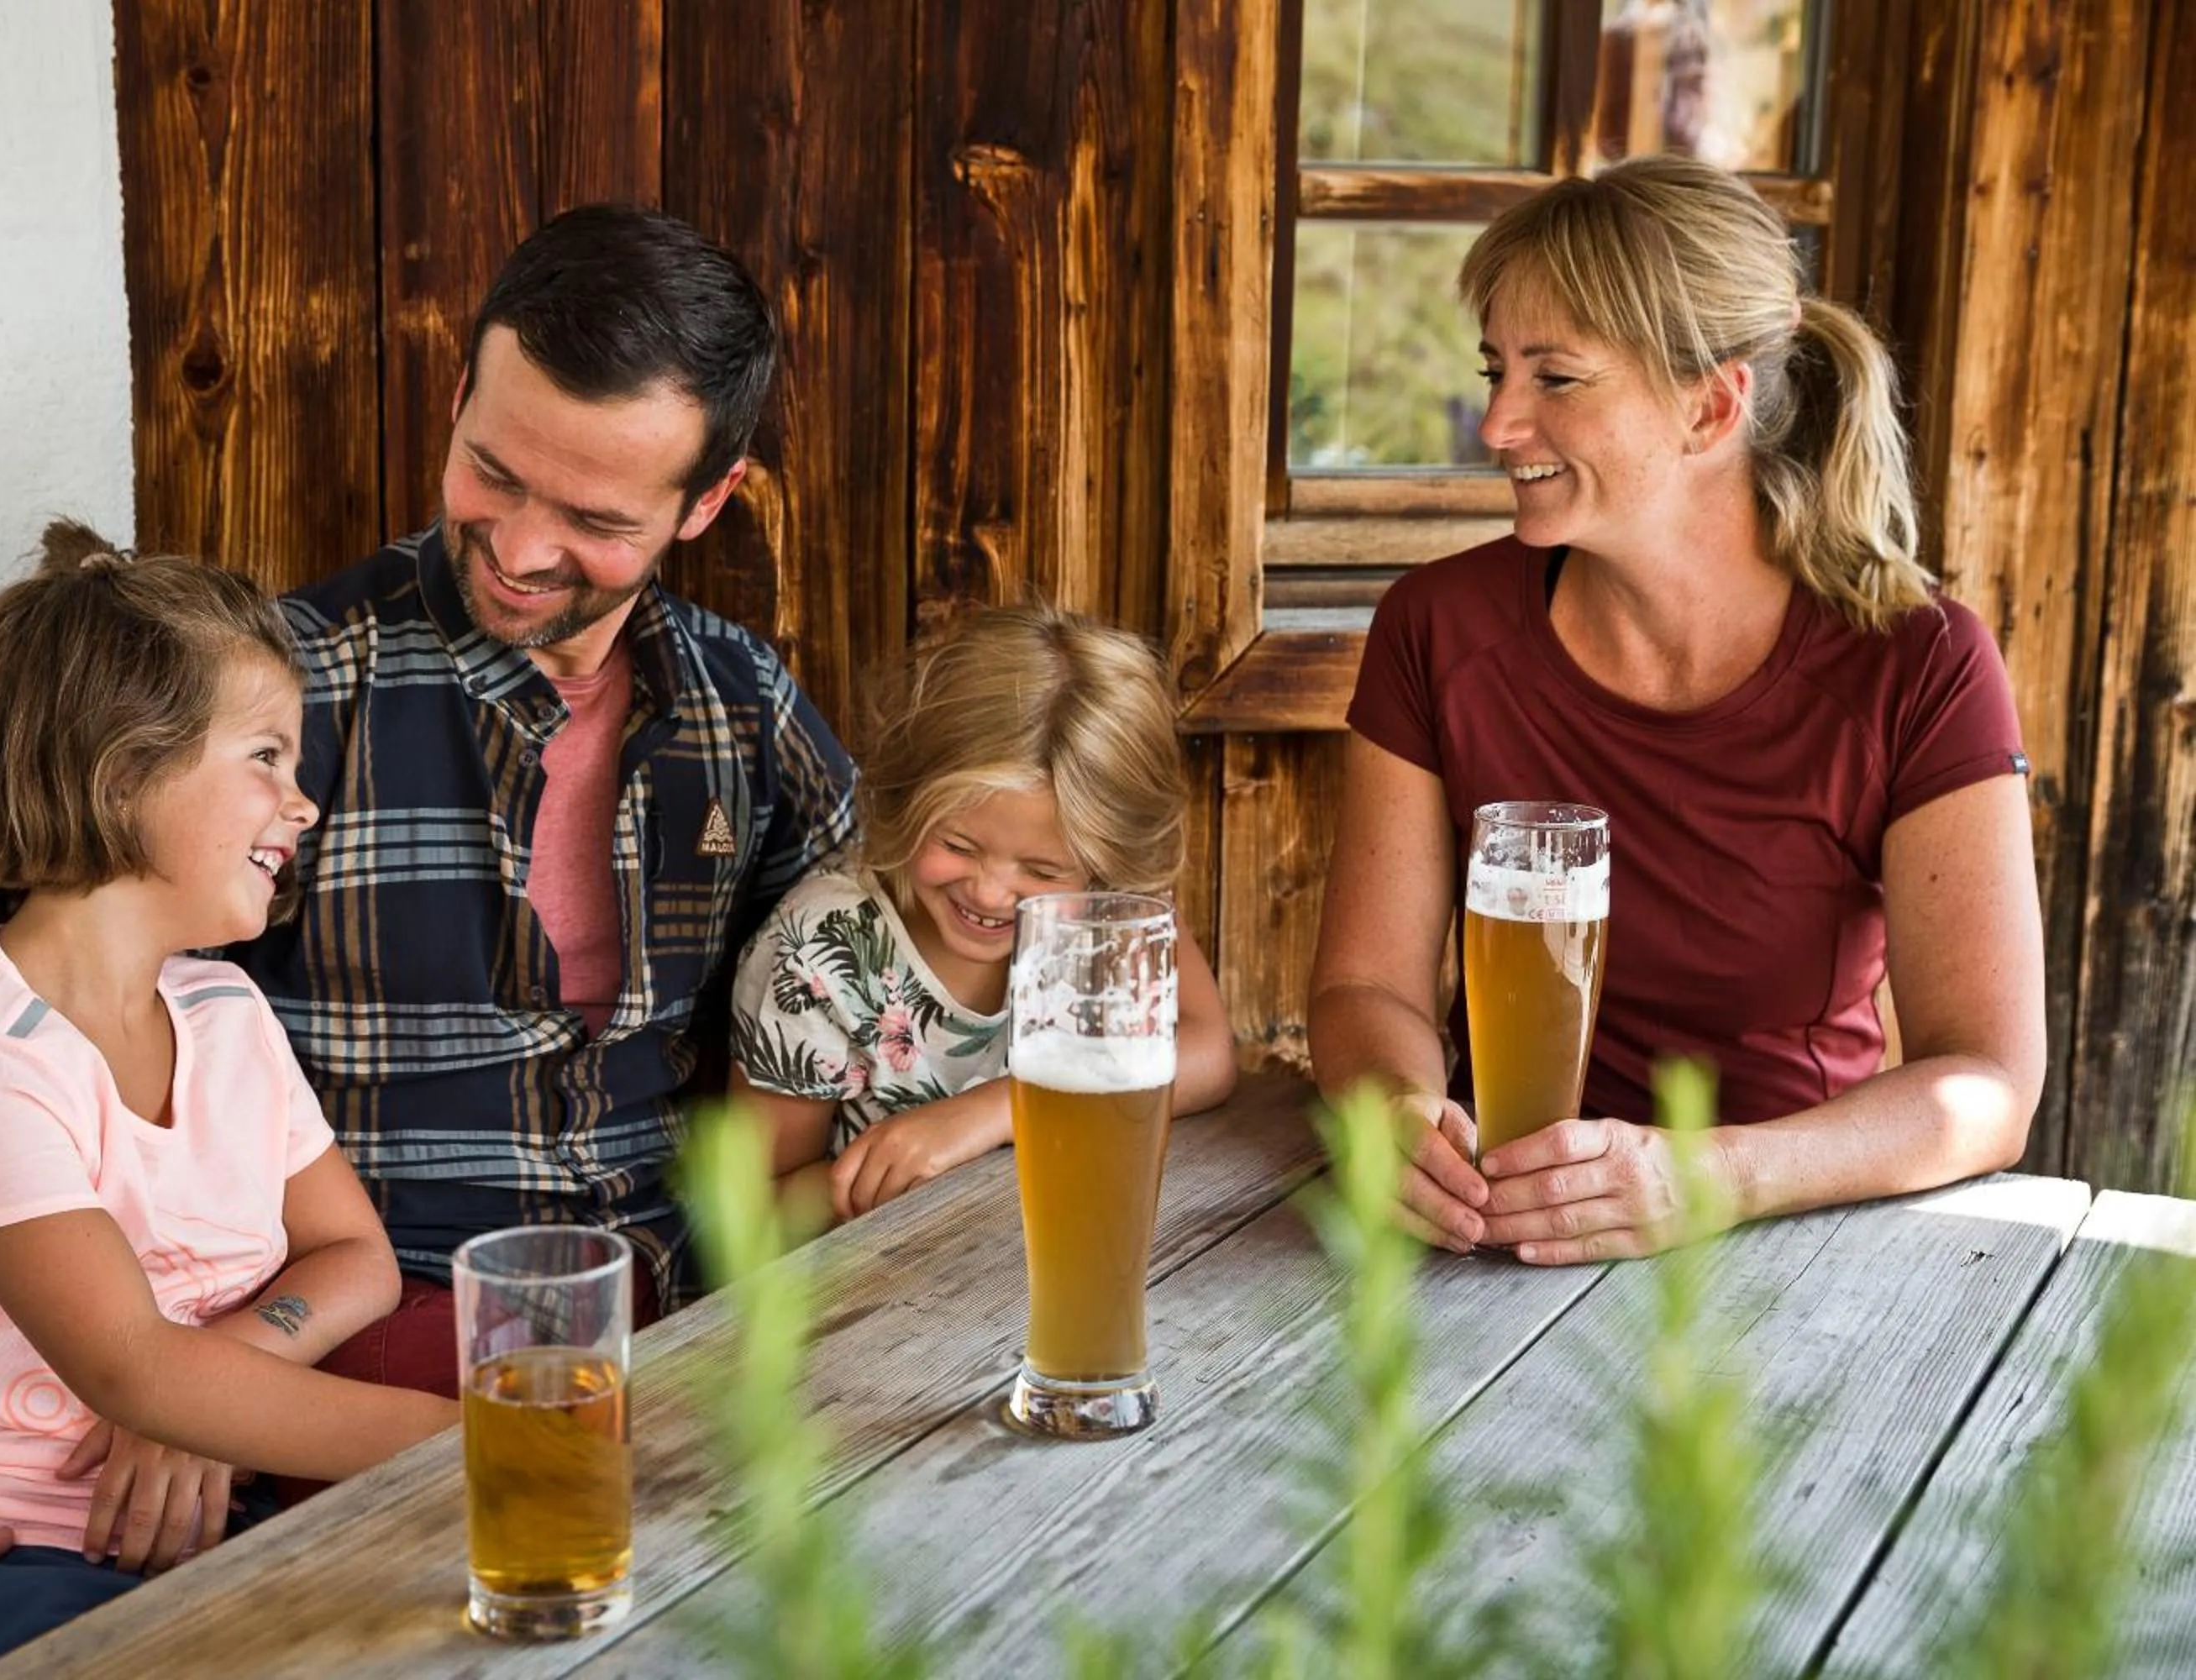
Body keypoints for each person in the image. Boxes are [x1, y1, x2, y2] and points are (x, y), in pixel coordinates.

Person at [0, 206, 855, 1680]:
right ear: (458, 393)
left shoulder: (740, 707)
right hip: (370, 1349)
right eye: (493, 470)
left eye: (595, 521)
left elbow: (892, 963)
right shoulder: (279, 702)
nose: (524, 548)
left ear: (707, 502)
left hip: (666, 1326)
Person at [1308, 154, 2045, 1263]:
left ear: (1710, 406)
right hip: (1491, 1245)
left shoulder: (1921, 664)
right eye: (1496, 370)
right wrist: (1399, 1113)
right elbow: (1366, 986)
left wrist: (1709, 1177)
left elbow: (1988, 1083)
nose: (1497, 425)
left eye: (1555, 379)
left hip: (1791, 1242)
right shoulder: (1436, 626)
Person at [0, 524, 457, 1678]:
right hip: (1, 1559)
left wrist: (231, 1362)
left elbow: (353, 1255)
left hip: (214, 1519)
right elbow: (132, 1370)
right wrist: (468, 1446)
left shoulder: (224, 1014)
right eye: (267, 757)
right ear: (123, 769)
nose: (304, 802)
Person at [729, 605, 1236, 1224]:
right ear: (906, 799)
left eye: (1043, 872)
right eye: (957, 847)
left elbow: (1208, 1051)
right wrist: (883, 1181)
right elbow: (757, 1211)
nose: (992, 894)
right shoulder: (815, 951)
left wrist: (1000, 1111)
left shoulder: (1112, 903)